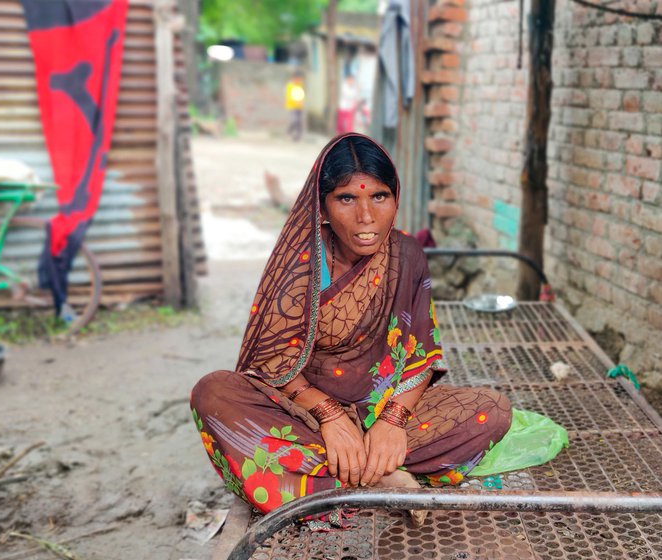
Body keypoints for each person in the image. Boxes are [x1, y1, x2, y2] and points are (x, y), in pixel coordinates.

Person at [190, 133, 512, 526]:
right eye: (347, 199)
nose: (366, 216)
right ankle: (382, 477)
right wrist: (330, 416)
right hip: (305, 415)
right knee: (213, 394)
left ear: (395, 198)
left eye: (379, 196)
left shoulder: (407, 254)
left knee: (491, 411)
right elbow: (270, 363)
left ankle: (339, 481)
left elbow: (420, 354)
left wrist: (391, 422)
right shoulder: (301, 264)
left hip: (383, 410)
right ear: (322, 207)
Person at [285, 72, 305, 141]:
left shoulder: (300, 85)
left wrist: (301, 102)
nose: (299, 80)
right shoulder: (290, 86)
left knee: (299, 122)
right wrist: (296, 102)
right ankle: (288, 133)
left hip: (299, 106)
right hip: (292, 106)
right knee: (294, 120)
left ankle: (298, 136)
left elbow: (301, 94)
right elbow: (289, 96)